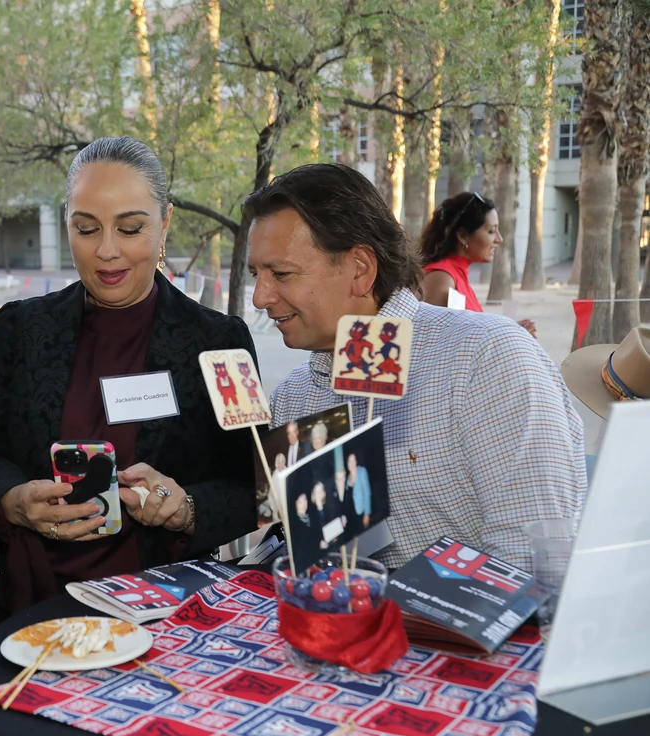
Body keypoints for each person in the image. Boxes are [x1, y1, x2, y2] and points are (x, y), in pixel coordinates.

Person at [0, 136, 257, 621]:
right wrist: (12, 500)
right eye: (86, 228)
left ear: (165, 224)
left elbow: (254, 487)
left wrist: (187, 508)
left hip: (166, 612)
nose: (107, 251)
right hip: (39, 603)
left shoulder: (216, 340)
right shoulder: (24, 327)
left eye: (131, 228)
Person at [246, 163, 585, 570]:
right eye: (255, 274)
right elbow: (314, 558)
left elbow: (536, 561)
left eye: (281, 274)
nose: (260, 297)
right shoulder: (292, 396)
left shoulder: (486, 359)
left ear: (360, 269)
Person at [419, 191, 536, 334]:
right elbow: (432, 343)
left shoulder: (457, 274)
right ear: (462, 236)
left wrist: (509, 331)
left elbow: (466, 334)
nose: (499, 239)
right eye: (491, 231)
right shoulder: (442, 277)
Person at [347, 452, 372, 529]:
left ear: (356, 462)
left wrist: (367, 514)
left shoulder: (362, 471)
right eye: (349, 461)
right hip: (352, 514)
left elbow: (367, 493)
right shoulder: (347, 478)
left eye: (353, 460)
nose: (351, 463)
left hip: (361, 512)